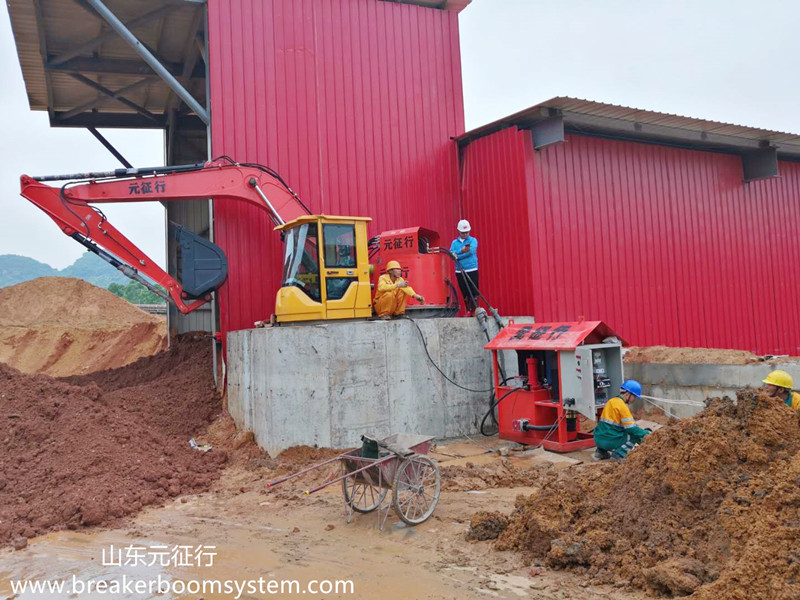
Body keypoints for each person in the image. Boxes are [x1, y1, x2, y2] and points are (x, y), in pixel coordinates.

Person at [593, 379, 651, 462]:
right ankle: (619, 455)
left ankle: (600, 452)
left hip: (598, 439)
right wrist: (646, 433)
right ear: (628, 394)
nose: (634, 400)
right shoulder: (623, 407)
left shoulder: (610, 401)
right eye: (634, 396)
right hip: (610, 442)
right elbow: (632, 429)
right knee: (634, 435)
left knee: (608, 431)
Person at [449, 219, 479, 314]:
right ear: (459, 231)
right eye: (463, 233)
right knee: (465, 292)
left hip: (472, 269)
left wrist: (458, 255)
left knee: (473, 291)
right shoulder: (454, 243)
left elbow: (471, 252)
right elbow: (451, 253)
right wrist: (461, 251)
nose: (465, 234)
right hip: (459, 271)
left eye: (467, 232)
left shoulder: (473, 240)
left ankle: (475, 311)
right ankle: (469, 310)